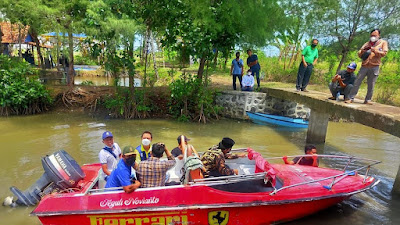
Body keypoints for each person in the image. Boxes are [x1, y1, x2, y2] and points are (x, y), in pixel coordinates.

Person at [349, 29, 389, 105]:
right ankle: (351, 98)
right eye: (372, 35)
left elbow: (384, 53)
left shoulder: (383, 43)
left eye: (375, 35)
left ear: (378, 36)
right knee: (357, 82)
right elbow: (359, 53)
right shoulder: (367, 43)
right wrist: (363, 51)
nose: (373, 37)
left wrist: (375, 50)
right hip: (364, 66)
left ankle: (368, 100)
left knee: (371, 84)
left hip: (374, 66)